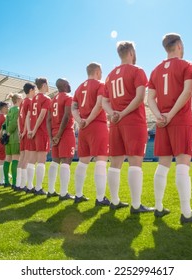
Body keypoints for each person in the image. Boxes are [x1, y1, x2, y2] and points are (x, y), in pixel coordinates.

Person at [147, 33, 192, 223]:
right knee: (182, 166)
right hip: (179, 119)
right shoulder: (187, 65)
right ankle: (186, 213)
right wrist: (170, 115)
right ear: (179, 45)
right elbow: (187, 91)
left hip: (162, 121)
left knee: (162, 165)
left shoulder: (155, 71)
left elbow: (150, 99)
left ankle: (159, 206)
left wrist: (159, 116)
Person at [102, 41, 154, 214]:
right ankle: (136, 205)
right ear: (131, 52)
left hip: (115, 122)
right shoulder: (137, 70)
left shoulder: (110, 75)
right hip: (132, 120)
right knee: (135, 162)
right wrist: (122, 113)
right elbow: (140, 97)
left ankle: (114, 200)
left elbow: (104, 102)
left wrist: (113, 113)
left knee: (115, 162)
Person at [72, 63, 111, 206]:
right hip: (97, 125)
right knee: (101, 160)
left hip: (83, 128)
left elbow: (73, 108)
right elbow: (99, 104)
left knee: (83, 162)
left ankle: (78, 194)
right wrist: (88, 120)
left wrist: (80, 121)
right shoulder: (100, 84)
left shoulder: (79, 87)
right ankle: (100, 198)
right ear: (97, 71)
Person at [46, 78, 75, 200]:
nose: (69, 84)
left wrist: (52, 137)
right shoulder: (68, 97)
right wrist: (58, 136)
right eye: (68, 82)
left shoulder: (52, 101)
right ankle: (64, 193)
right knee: (66, 161)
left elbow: (48, 120)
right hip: (65, 132)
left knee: (55, 162)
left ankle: (51, 190)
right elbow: (67, 116)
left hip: (54, 133)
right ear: (64, 85)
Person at [28, 77, 52, 195]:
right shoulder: (46, 99)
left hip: (32, 132)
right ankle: (38, 188)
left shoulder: (33, 99)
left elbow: (28, 116)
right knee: (42, 160)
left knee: (32, 160)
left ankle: (29, 186)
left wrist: (30, 130)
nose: (48, 87)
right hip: (41, 131)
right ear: (43, 85)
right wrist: (35, 129)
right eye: (47, 84)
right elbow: (42, 116)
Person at [18, 83, 36, 192]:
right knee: (27, 159)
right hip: (26, 133)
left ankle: (18, 183)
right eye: (34, 90)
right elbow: (27, 118)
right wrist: (25, 131)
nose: (35, 92)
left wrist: (20, 131)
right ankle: (26, 185)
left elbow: (18, 119)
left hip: (22, 133)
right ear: (31, 90)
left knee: (22, 158)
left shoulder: (22, 102)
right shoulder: (29, 101)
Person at [4, 94, 22, 189]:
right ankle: (15, 182)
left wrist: (6, 133)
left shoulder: (10, 110)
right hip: (14, 137)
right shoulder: (17, 110)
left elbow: (5, 124)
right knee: (16, 159)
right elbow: (14, 123)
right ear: (18, 99)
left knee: (8, 158)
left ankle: (6, 181)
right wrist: (9, 132)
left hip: (8, 139)